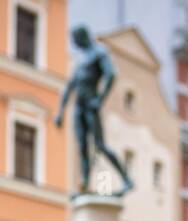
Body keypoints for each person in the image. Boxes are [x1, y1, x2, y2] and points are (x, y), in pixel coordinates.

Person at [54, 25, 134, 196]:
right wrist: (60, 111)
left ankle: (127, 179)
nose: (74, 44)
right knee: (82, 146)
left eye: (75, 40)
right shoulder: (81, 59)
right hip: (79, 107)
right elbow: (70, 86)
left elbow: (111, 74)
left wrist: (100, 99)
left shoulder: (99, 52)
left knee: (99, 145)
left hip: (91, 104)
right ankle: (84, 185)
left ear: (82, 37)